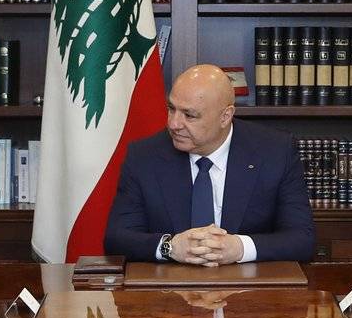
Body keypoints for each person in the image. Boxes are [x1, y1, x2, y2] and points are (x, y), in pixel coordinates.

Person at [104, 64, 315, 264]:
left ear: (225, 117)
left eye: (189, 115)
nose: (174, 124)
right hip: (169, 284)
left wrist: (239, 247)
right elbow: (117, 239)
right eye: (171, 109)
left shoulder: (275, 152)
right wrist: (170, 246)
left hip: (248, 285)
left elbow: (302, 239)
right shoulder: (144, 156)